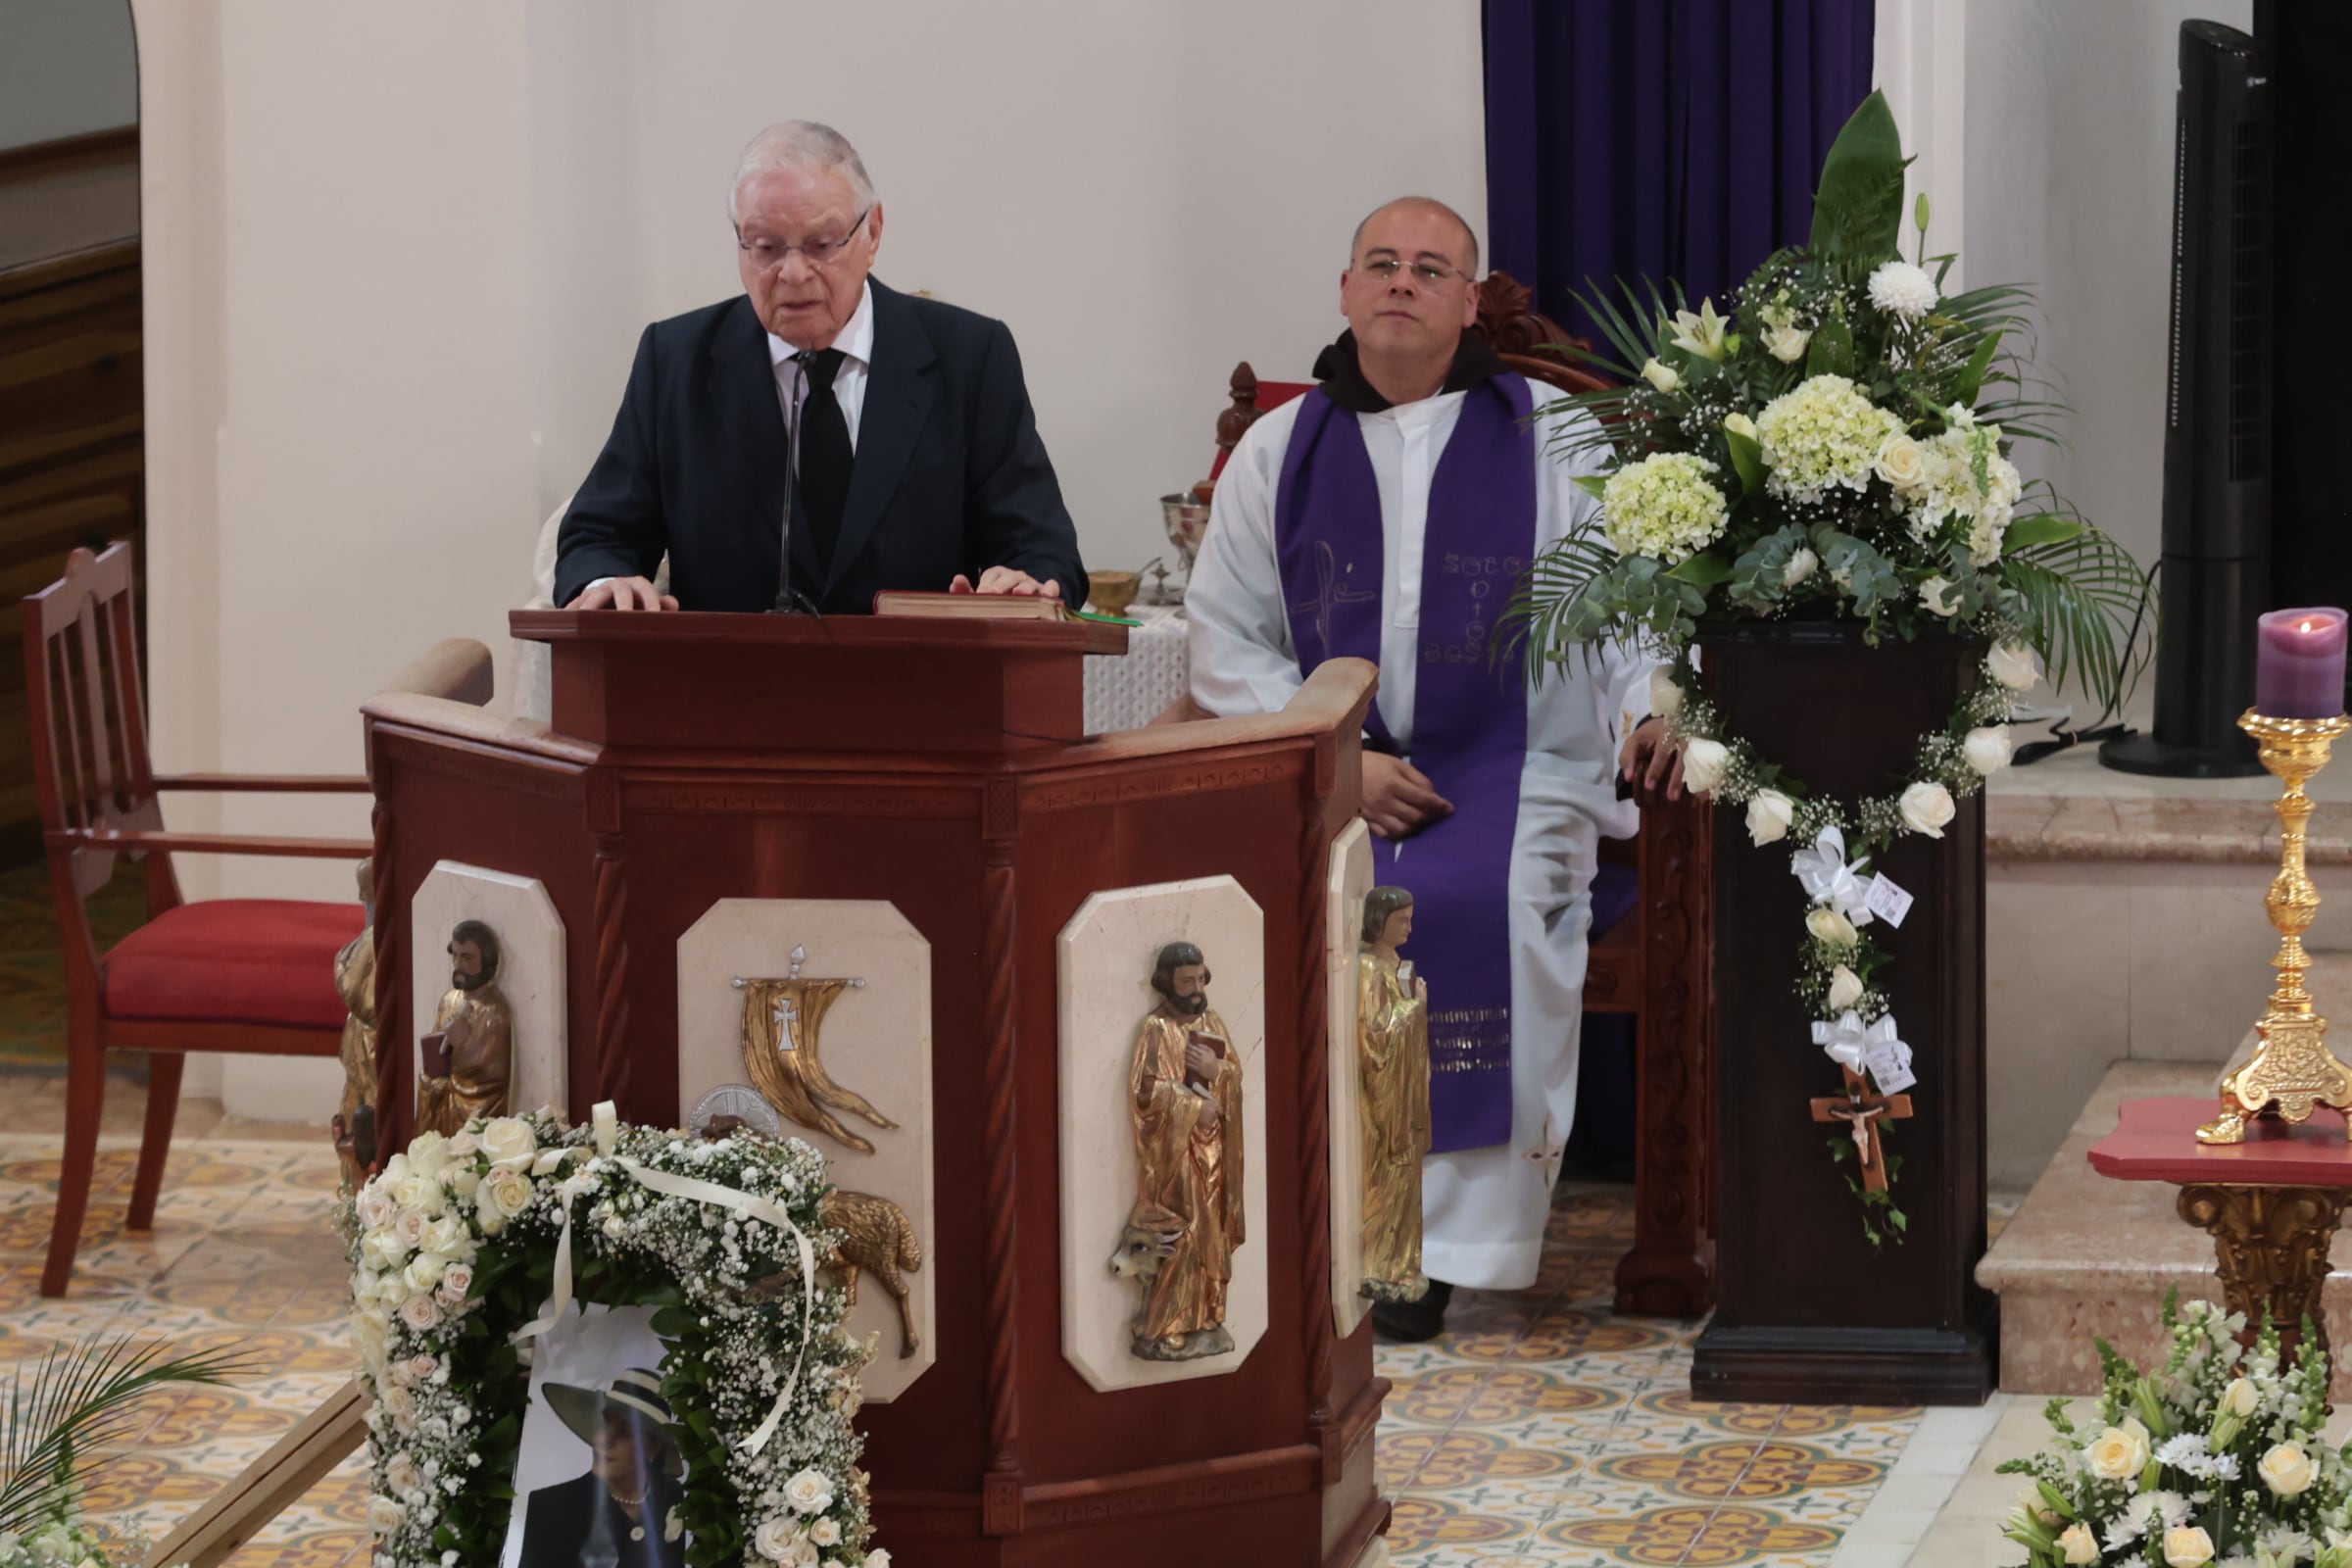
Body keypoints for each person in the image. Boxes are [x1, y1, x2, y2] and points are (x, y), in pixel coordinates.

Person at [1185, 197, 1681, 1341]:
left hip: (1520, 775)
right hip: (1327, 782)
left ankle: (1432, 1255)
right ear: (1347, 291)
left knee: (1474, 899)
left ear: (1470, 303)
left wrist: (1655, 706)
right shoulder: (1278, 448)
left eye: (1431, 267)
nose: (1402, 282)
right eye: (1382, 263)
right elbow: (1227, 640)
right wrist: (1338, 761)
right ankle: (1320, 1231)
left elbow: (1622, 618)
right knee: (1291, 909)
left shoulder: (1555, 435)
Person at [554, 121, 1086, 614]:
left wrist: (1024, 582)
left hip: (924, 696)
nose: (793, 272)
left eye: (821, 244)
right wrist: (606, 582)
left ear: (873, 232)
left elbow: (1042, 548)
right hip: (726, 697)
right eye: (764, 247)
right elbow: (599, 534)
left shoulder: (970, 356)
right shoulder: (674, 361)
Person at [1123, 941, 1246, 1361]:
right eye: (1185, 981)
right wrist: (1195, 1107)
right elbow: (1145, 1092)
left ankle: (1207, 1314)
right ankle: (1165, 1323)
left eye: (1199, 978)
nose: (1195, 987)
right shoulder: (1155, 1029)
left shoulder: (1211, 1019)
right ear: (1166, 984)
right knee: (1185, 1235)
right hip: (1177, 1157)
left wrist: (1220, 1075)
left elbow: (1233, 1072)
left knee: (1213, 1235)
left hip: (1216, 1154)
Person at [519, 1368, 687, 1568]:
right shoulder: (551, 1508)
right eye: (604, 1423)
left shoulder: (670, 1495)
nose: (604, 1440)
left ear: (653, 1446)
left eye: (624, 1432)